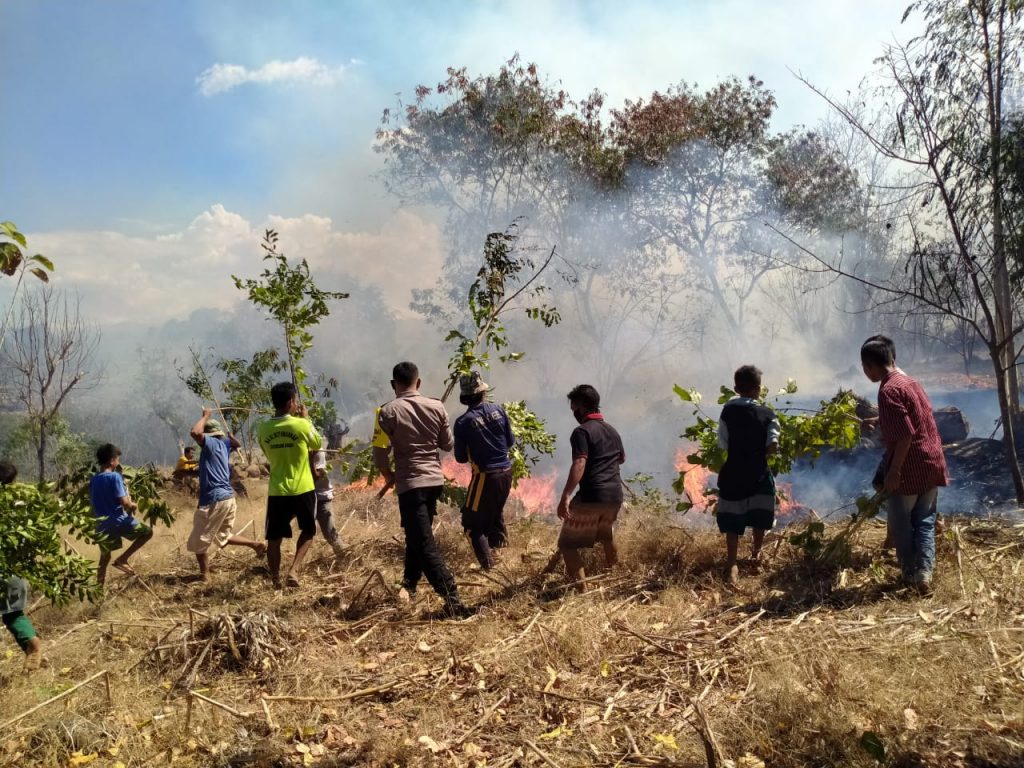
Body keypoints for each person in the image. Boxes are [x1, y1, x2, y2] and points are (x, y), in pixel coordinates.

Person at [373, 361, 471, 617]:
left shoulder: (385, 412)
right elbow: (447, 445)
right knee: (415, 536)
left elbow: (380, 453)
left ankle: (453, 599)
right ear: (419, 382)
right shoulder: (436, 406)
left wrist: (388, 475)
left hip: (410, 484)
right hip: (433, 482)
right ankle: (409, 584)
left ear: (394, 385)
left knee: (424, 542)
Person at [861, 335, 948, 595]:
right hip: (932, 460)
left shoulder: (887, 391)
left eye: (866, 369)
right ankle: (924, 574)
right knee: (924, 521)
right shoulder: (910, 382)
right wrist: (879, 419)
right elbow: (916, 417)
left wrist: (895, 471)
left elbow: (905, 435)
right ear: (893, 358)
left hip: (909, 466)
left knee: (902, 524)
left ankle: (910, 577)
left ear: (869, 367)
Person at [556, 384, 625, 593]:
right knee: (606, 535)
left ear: (583, 407)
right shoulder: (612, 431)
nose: (573, 412)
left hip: (592, 496)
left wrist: (566, 495)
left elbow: (580, 463)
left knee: (567, 545)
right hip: (615, 496)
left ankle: (583, 593)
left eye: (574, 407)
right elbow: (621, 459)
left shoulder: (581, 432)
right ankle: (615, 580)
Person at [715, 365, 780, 586]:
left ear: (735, 388)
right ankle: (756, 554)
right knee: (760, 514)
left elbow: (722, 442)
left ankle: (732, 563)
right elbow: (773, 441)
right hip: (758, 472)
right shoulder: (768, 414)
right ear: (759, 390)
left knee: (732, 519)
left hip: (733, 472)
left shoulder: (727, 411)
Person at [187, 410, 267, 581]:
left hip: (214, 498)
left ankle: (205, 576)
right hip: (228, 499)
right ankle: (256, 545)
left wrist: (205, 416)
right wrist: (230, 435)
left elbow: (195, 432)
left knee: (199, 540)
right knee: (221, 535)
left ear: (208, 435)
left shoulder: (209, 443)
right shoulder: (224, 444)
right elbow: (237, 444)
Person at [257, 382, 323, 589]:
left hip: (277, 490)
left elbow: (267, 454)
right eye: (295, 401)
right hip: (303, 487)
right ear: (291, 402)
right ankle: (294, 570)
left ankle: (276, 580)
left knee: (274, 538)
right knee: (308, 531)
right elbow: (317, 444)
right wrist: (306, 419)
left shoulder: (263, 429)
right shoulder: (301, 425)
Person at [453, 372, 515, 570]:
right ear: (482, 392)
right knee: (495, 513)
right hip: (507, 472)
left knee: (472, 524)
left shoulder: (463, 423)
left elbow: (461, 457)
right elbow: (510, 442)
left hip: (486, 477)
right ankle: (503, 560)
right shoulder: (499, 410)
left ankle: (489, 567)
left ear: (465, 397)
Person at [91, 443, 154, 585]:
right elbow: (125, 502)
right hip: (118, 521)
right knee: (147, 532)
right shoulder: (115, 477)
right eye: (117, 459)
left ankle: (98, 589)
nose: (118, 462)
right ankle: (122, 559)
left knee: (104, 558)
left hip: (101, 525)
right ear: (112, 460)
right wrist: (132, 504)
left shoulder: (94, 479)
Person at [1, 461, 43, 672]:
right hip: (16, 570)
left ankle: (32, 646)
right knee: (13, 614)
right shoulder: (22, 505)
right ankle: (30, 646)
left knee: (12, 615)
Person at [311, 448, 346, 558]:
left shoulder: (316, 450)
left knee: (330, 533)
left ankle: (345, 558)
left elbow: (316, 476)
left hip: (321, 497)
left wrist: (310, 459)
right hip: (303, 496)